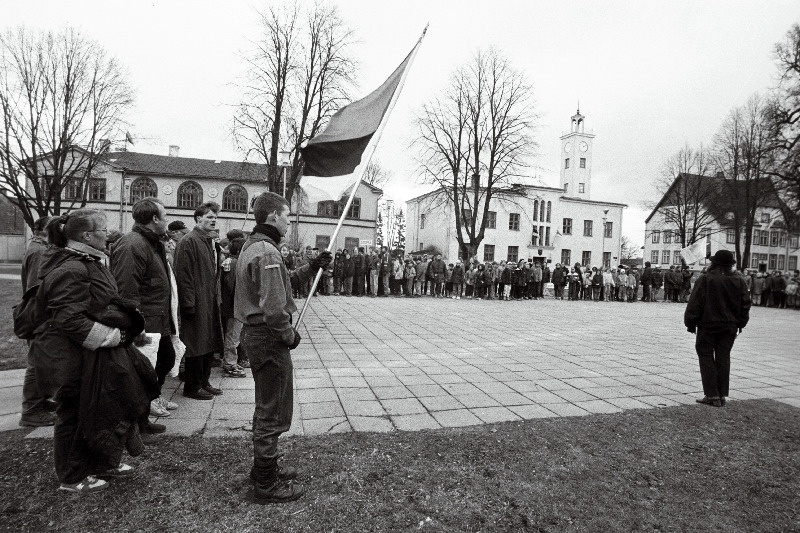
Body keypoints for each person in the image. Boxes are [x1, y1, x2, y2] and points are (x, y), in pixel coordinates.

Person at [31, 210, 150, 493]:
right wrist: (114, 336)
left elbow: (100, 302)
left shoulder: (91, 261)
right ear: (86, 236)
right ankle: (71, 477)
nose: (108, 234)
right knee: (73, 414)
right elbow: (69, 319)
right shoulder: (72, 268)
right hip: (71, 357)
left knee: (96, 410)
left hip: (89, 354)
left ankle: (99, 464)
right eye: (103, 230)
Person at [235, 192, 331, 503]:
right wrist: (289, 335)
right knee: (272, 411)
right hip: (268, 337)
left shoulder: (255, 246)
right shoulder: (267, 252)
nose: (289, 221)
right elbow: (275, 307)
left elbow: (282, 283)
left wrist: (311, 266)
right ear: (274, 216)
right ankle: (265, 484)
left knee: (267, 405)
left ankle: (263, 468)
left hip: (257, 335)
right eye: (287, 215)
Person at [110, 197, 179, 422]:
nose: (167, 220)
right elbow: (126, 289)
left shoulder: (151, 242)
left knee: (166, 359)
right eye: (165, 215)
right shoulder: (133, 245)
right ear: (155, 218)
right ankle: (143, 411)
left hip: (159, 318)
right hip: (145, 321)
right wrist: (134, 324)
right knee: (147, 366)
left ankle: (152, 398)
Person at [684, 250, 750, 407]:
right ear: (730, 265)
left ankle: (712, 394)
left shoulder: (706, 279)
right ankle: (721, 394)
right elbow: (746, 303)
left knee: (705, 355)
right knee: (723, 357)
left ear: (714, 263)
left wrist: (690, 322)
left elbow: (696, 302)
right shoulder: (739, 280)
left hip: (708, 324)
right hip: (729, 326)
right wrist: (740, 323)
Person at [174, 202, 224, 401]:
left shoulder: (209, 242)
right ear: (198, 219)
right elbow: (183, 274)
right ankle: (192, 386)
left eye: (215, 217)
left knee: (209, 342)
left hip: (209, 301)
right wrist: (188, 304)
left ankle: (204, 381)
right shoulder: (189, 241)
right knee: (195, 344)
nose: (213, 220)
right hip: (195, 302)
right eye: (209, 217)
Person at [19, 216, 57, 428]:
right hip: (39, 317)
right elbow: (36, 289)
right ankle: (31, 411)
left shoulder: (38, 248)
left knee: (42, 363)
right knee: (37, 364)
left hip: (39, 316)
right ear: (44, 231)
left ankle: (41, 403)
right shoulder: (40, 252)